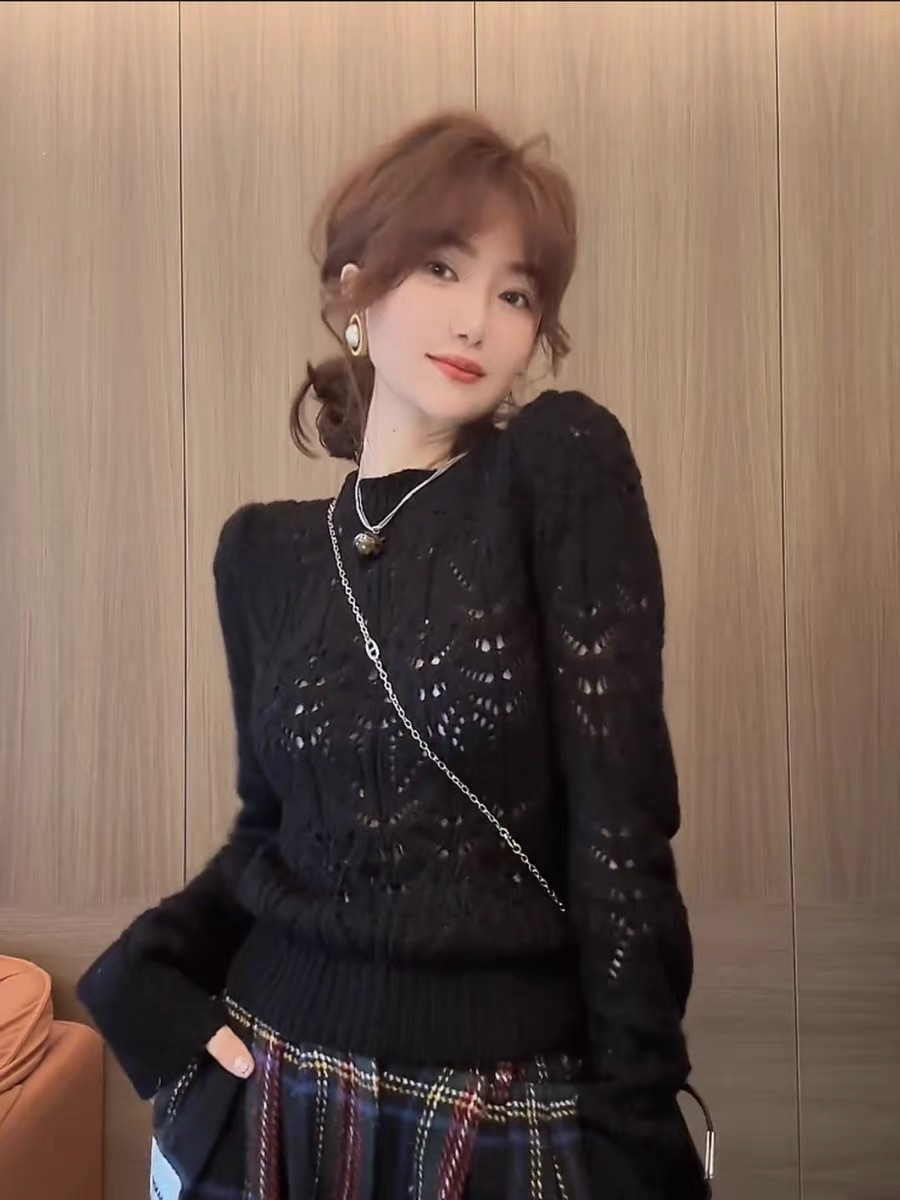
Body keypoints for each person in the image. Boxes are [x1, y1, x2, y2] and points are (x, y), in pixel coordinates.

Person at [77, 109, 711, 1199]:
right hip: (263, 1086)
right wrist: (140, 975)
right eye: (442, 267)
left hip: (498, 1105)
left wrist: (637, 1117)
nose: (478, 319)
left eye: (516, 294)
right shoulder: (261, 555)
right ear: (355, 291)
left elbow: (621, 830)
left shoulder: (557, 470)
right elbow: (275, 835)